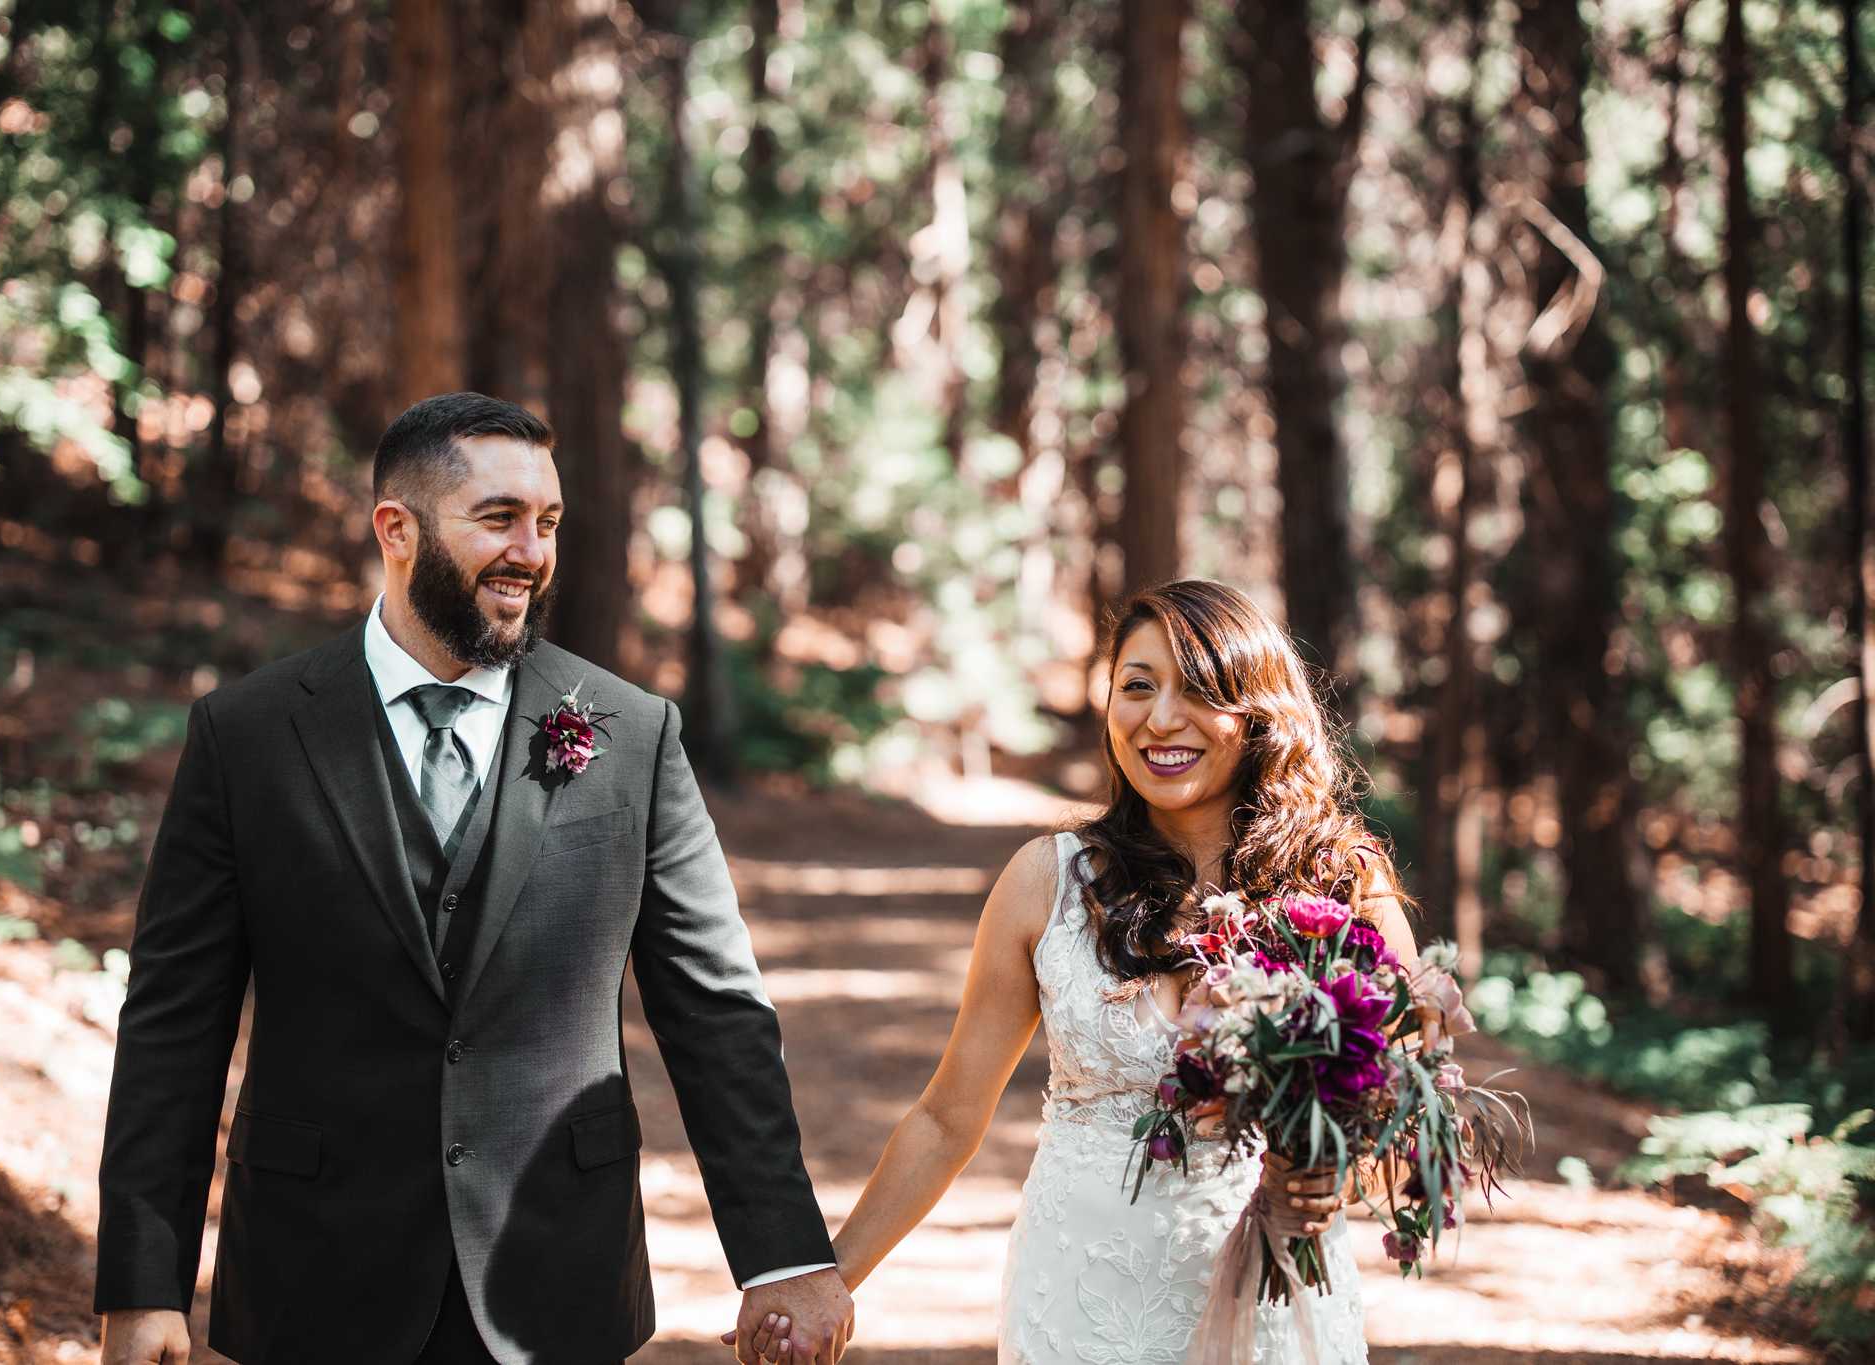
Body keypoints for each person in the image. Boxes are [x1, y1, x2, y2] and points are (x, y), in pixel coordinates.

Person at [95, 393, 854, 1365]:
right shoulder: (247, 736)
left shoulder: (629, 735)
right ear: (396, 530)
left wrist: (781, 1251)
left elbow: (716, 1014)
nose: (531, 553)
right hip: (311, 1280)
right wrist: (141, 1285)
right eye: (498, 518)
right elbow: (173, 1024)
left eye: (546, 524)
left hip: (554, 1288)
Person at [815, 579, 1419, 1363]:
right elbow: (946, 1116)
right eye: (1136, 686)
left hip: (1273, 1311)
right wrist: (828, 1277)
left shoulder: (1343, 883)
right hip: (1080, 1304)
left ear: (1258, 710)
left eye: (1199, 688)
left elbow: (1405, 1105)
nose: (1160, 717)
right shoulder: (1048, 881)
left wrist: (1336, 1168)